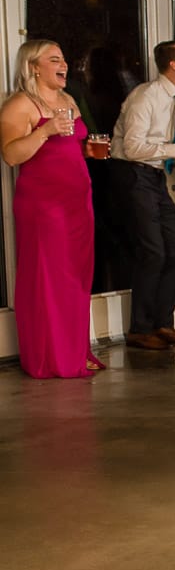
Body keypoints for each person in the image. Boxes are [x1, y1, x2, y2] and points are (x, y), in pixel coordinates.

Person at [0, 40, 103, 377]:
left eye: (64, 58)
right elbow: (12, 155)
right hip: (44, 205)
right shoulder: (20, 104)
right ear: (33, 67)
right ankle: (51, 357)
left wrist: (89, 150)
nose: (64, 65)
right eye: (54, 59)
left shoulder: (69, 100)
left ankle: (75, 351)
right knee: (49, 279)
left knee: (76, 277)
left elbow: (70, 147)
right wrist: (45, 131)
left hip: (77, 201)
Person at [110, 41, 175, 350]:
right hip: (131, 172)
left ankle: (162, 324)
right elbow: (133, 147)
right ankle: (140, 329)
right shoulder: (145, 96)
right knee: (153, 251)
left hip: (154, 176)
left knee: (174, 250)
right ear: (174, 65)